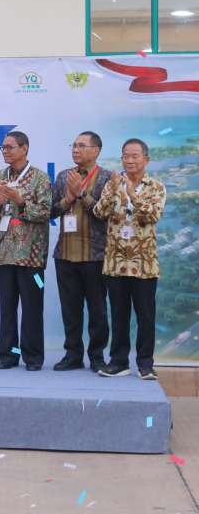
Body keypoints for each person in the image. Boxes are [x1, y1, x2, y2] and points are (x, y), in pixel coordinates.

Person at [93, 138, 166, 380]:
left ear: (146, 159)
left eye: (135, 156)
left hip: (144, 264)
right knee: (119, 314)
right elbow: (99, 213)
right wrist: (114, 189)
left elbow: (152, 215)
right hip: (115, 263)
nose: (130, 160)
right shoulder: (113, 184)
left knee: (145, 317)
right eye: (126, 155)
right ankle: (118, 362)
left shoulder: (155, 186)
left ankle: (145, 364)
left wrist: (132, 195)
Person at [0, 131, 52, 371]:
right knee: (7, 306)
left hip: (31, 255)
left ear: (24, 148)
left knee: (32, 307)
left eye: (10, 147)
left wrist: (20, 201)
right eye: (3, 148)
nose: (5, 151)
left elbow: (44, 213)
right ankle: (9, 355)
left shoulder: (40, 178)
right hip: (3, 252)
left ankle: (33, 357)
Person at [49, 131, 112, 373]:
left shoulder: (107, 178)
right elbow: (51, 212)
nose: (75, 150)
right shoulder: (65, 176)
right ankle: (72, 355)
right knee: (70, 309)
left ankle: (97, 356)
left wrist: (82, 195)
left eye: (81, 146)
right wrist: (67, 199)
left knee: (97, 310)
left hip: (95, 256)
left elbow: (104, 214)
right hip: (65, 254)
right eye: (73, 145)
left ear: (95, 150)